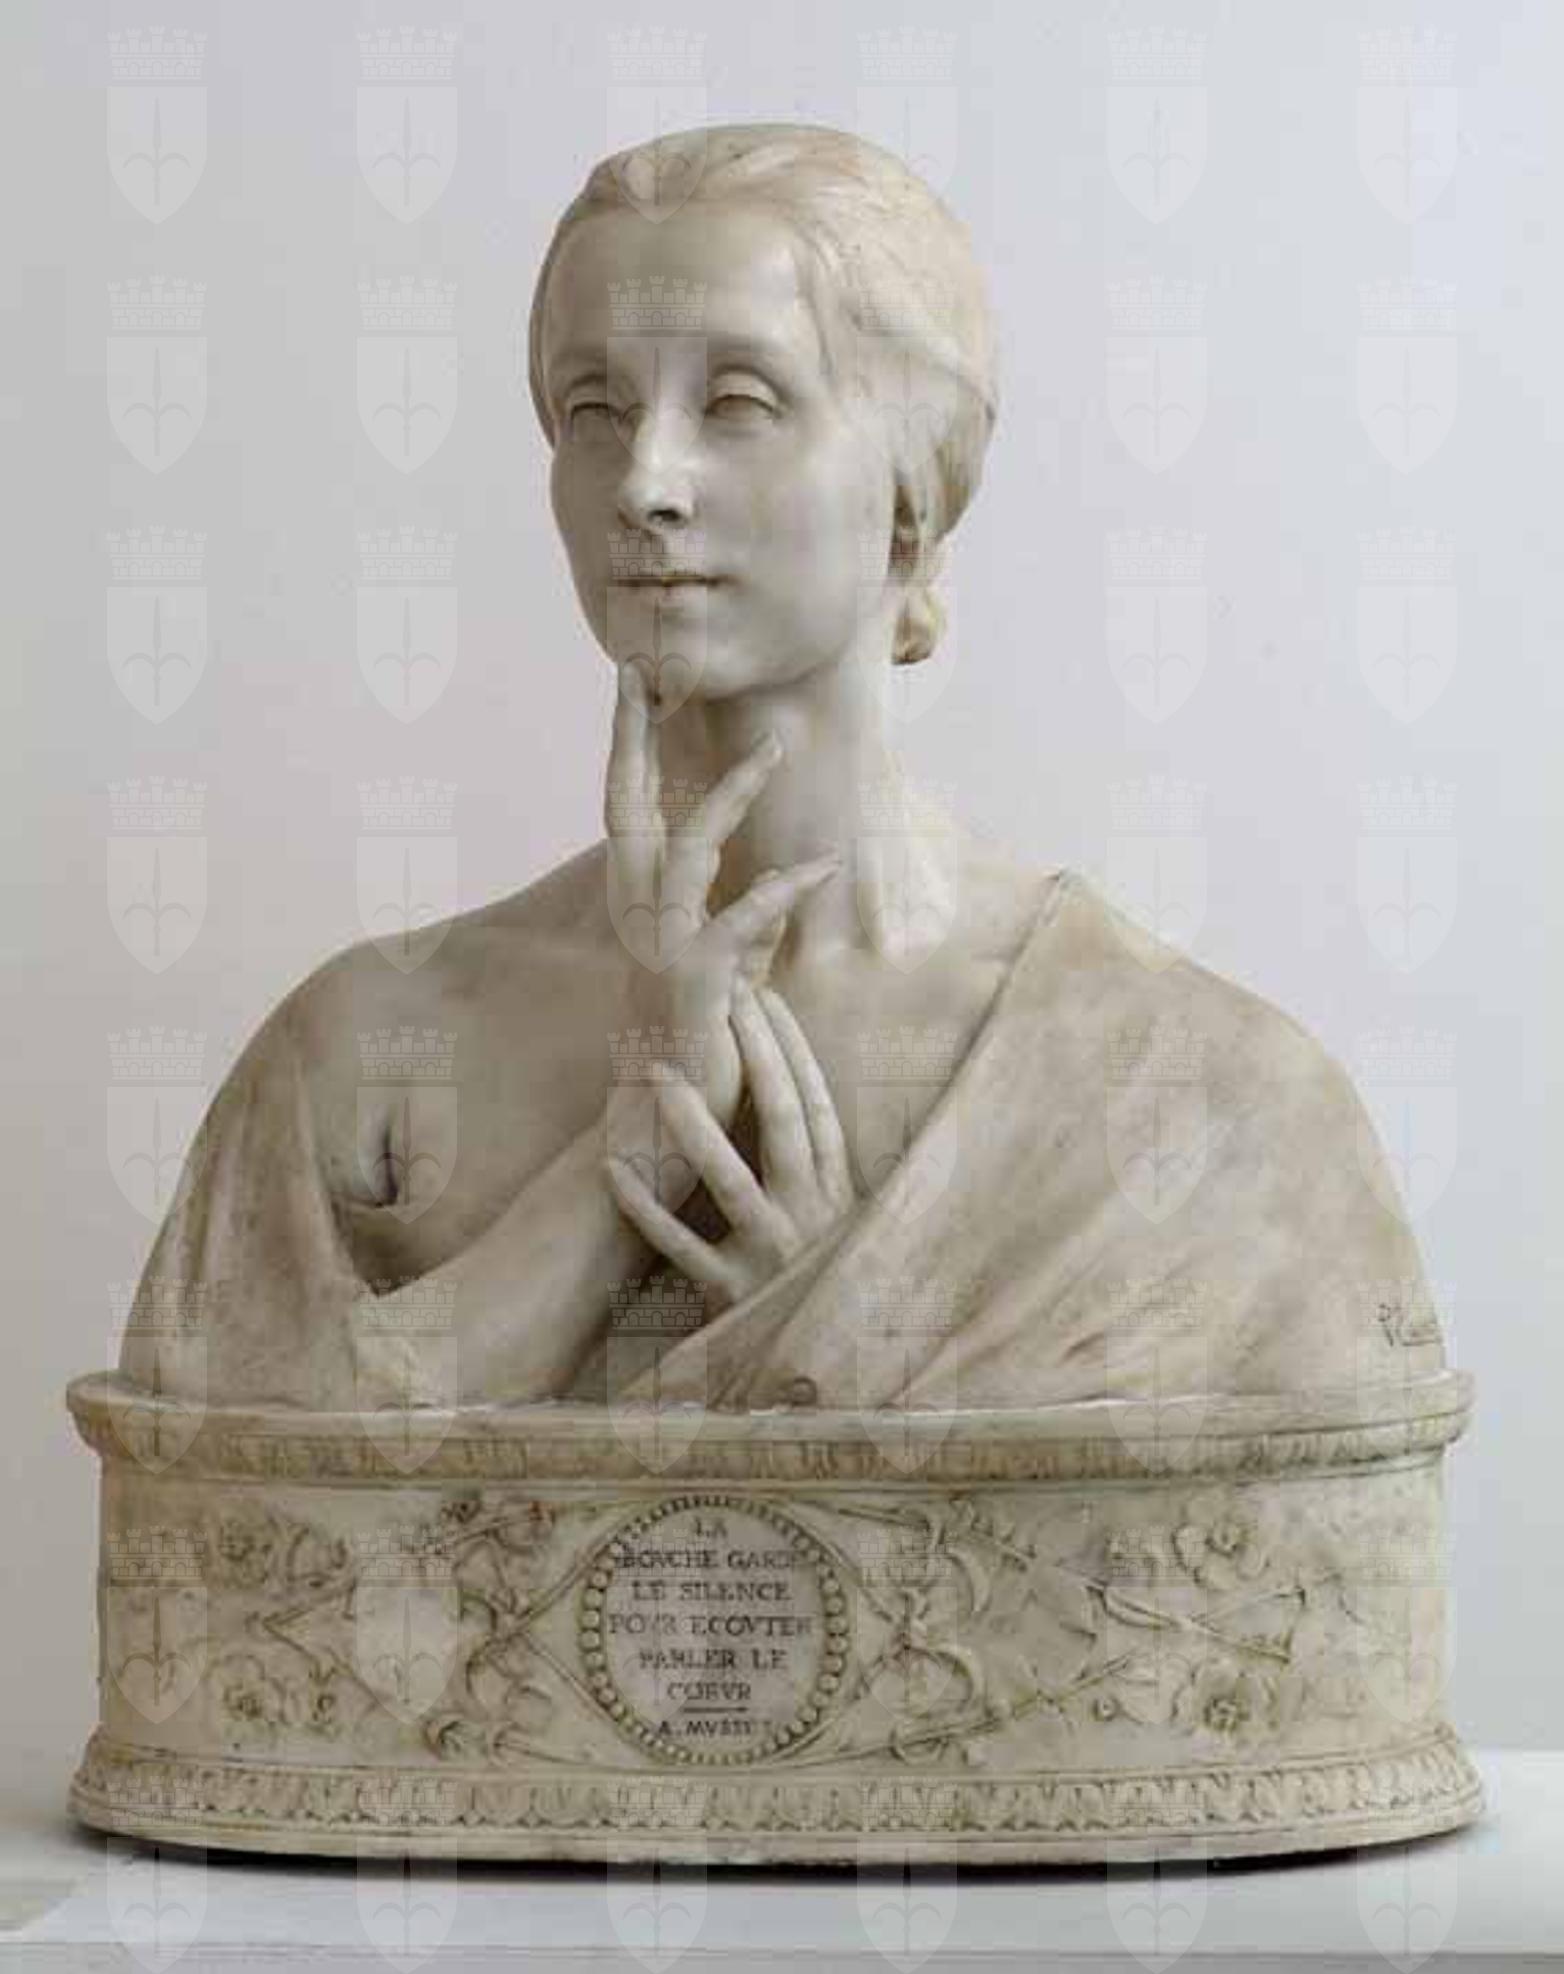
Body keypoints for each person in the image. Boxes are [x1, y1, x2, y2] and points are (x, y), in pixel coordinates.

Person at [118, 123, 1446, 1416]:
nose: (646, 480)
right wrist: (632, 1154)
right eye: (594, 409)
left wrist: (825, 1351)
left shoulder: (1208, 1102)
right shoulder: (362, 1057)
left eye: (739, 403)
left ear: (910, 491)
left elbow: (1286, 1560)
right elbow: (227, 1517)